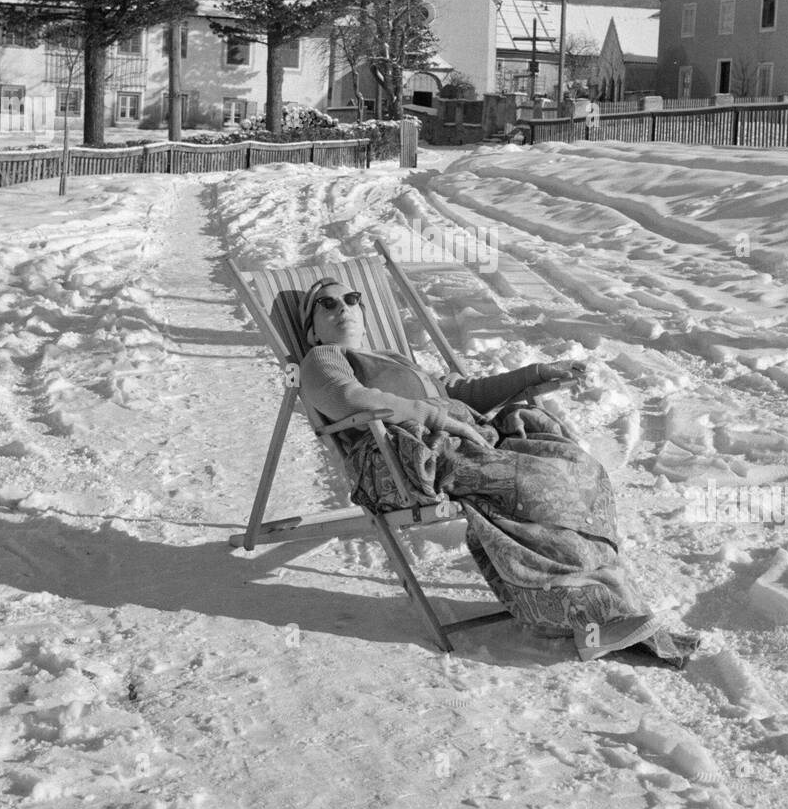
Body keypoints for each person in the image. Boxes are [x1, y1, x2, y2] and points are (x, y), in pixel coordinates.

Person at [298, 277, 698, 668]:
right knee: (536, 484)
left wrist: (535, 375)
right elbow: (345, 398)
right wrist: (436, 416)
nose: (343, 308)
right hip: (402, 455)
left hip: (453, 437)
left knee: (578, 468)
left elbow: (462, 395)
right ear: (313, 331)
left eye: (351, 299)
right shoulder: (323, 358)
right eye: (327, 303)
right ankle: (586, 617)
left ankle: (608, 604)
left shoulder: (398, 361)